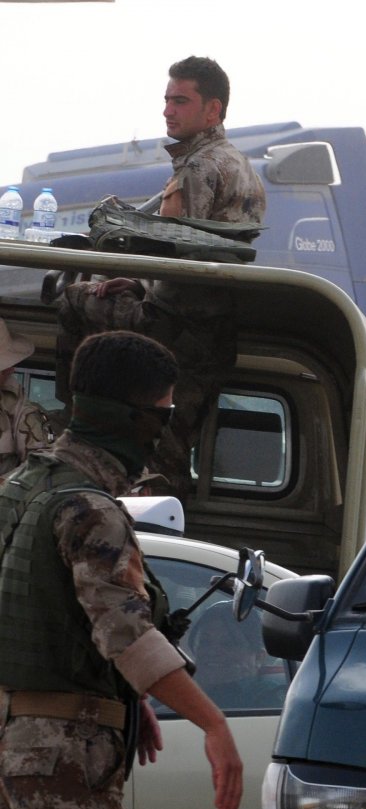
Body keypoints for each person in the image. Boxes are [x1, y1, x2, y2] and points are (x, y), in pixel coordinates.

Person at [0, 330, 243, 809]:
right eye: (162, 414)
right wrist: (213, 724)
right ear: (129, 417)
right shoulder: (88, 509)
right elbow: (126, 634)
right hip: (63, 759)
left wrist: (123, 697)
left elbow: (47, 615)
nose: (166, 431)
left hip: (20, 741)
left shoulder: (22, 486)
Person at [54, 56, 267, 504]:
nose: (168, 110)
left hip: (170, 324)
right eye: (167, 100)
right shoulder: (240, 165)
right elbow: (199, 252)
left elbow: (176, 254)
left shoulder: (198, 168)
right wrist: (139, 283)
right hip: (210, 331)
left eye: (181, 101)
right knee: (169, 449)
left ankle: (75, 421)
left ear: (213, 109)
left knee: (73, 298)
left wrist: (140, 284)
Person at [0, 319, 52, 480]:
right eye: (3, 367)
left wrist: (4, 484)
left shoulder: (15, 403)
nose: (11, 370)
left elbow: (42, 460)